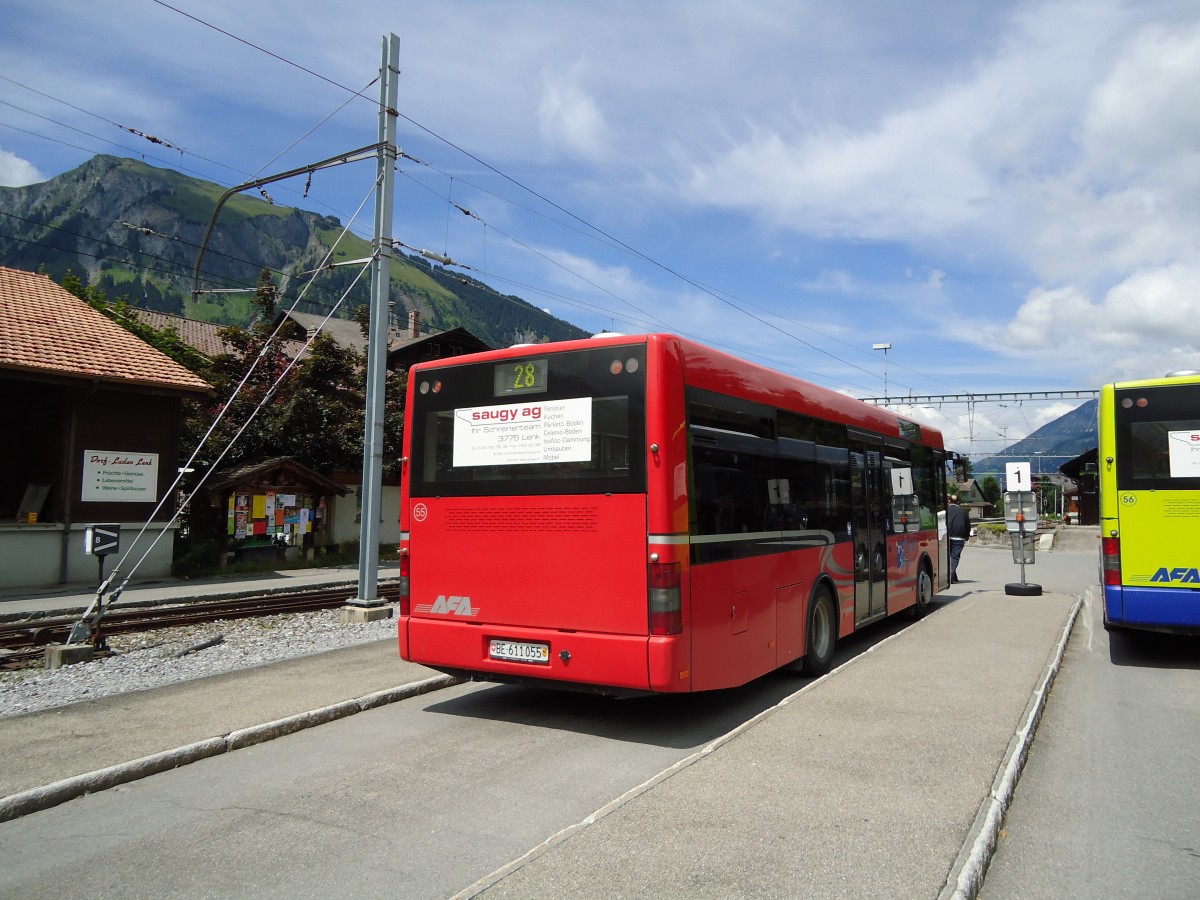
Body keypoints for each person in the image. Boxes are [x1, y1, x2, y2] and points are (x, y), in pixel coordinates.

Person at [946, 494, 970, 583]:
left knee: (947, 557)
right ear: (958, 502)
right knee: (955, 557)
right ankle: (952, 574)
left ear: (949, 501)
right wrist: (967, 536)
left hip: (946, 537)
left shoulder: (945, 511)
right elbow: (968, 525)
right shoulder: (963, 512)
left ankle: (953, 575)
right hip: (959, 538)